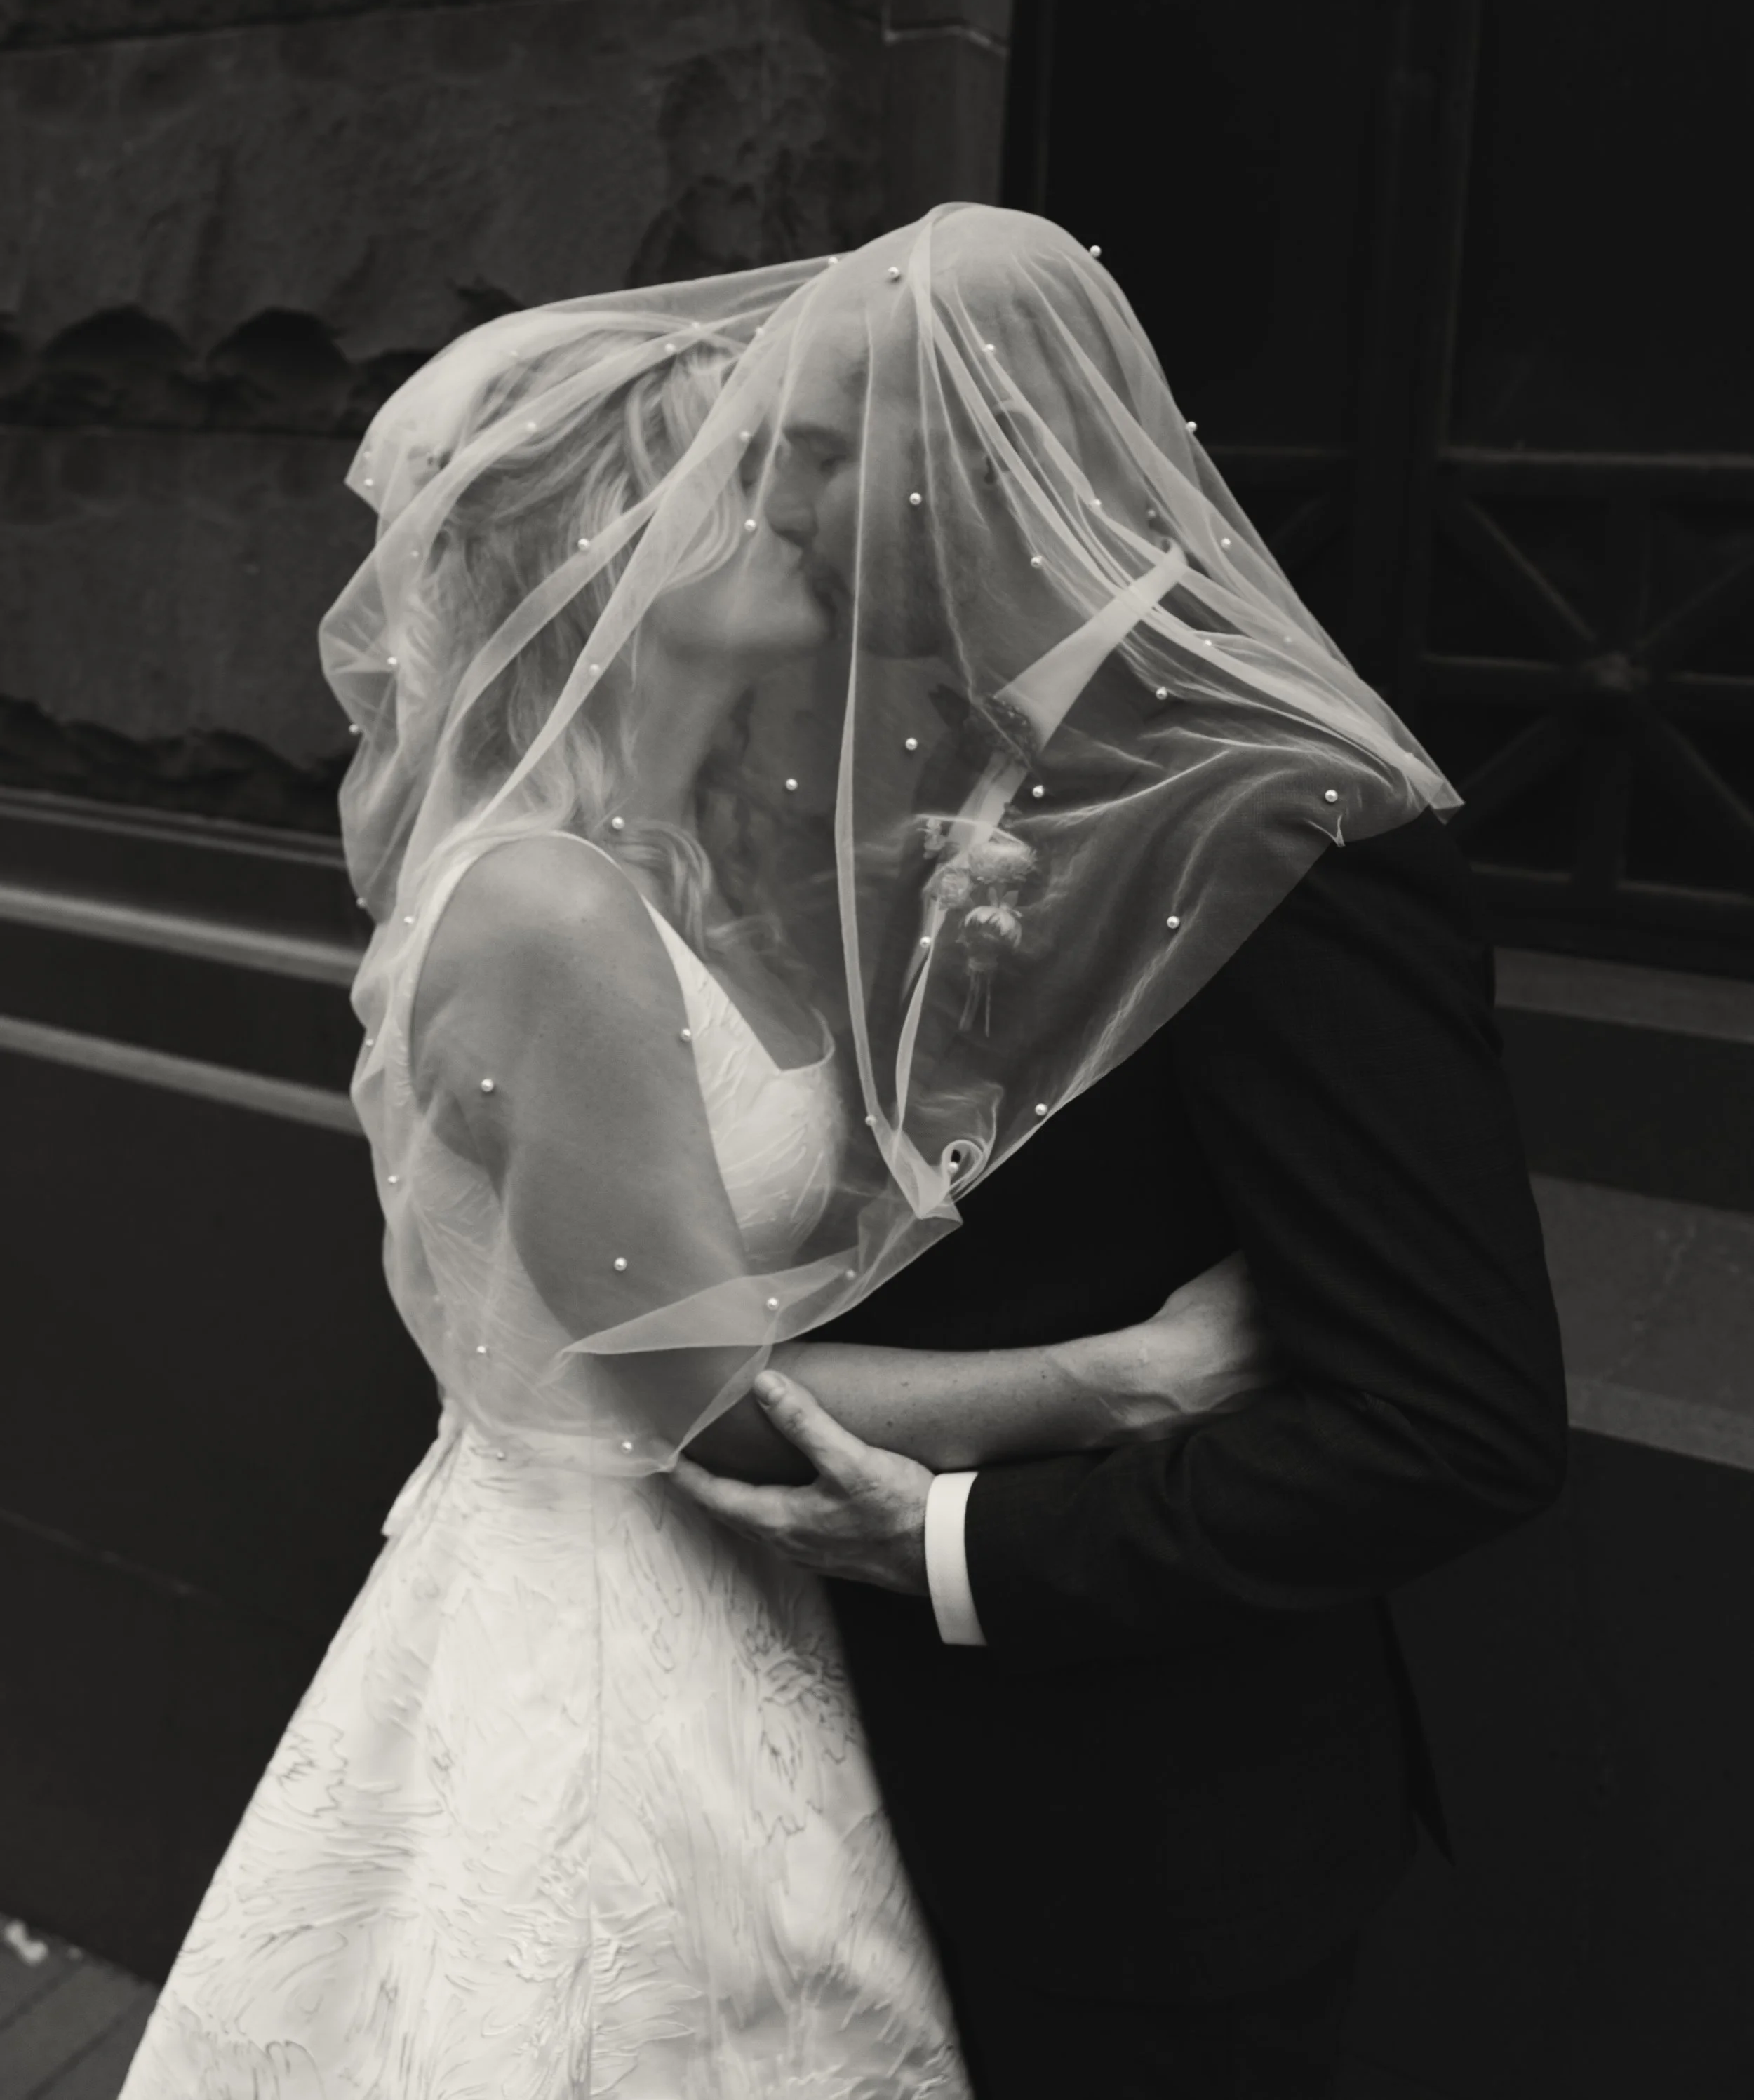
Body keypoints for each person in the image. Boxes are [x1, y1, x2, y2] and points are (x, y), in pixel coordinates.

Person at [119, 253, 1287, 2100]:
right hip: (606, 1634)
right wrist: (1130, 1377)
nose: (809, 525)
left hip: (752, 1610)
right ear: (622, 561)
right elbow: (701, 1402)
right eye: (749, 494)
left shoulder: (677, 865)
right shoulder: (545, 906)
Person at [671, 203, 1570, 2099]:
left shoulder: (1287, 828)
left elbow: (1452, 1421)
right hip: (891, 1782)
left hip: (1151, 1854)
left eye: (825, 455)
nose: (780, 506)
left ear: (978, 451)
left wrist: (952, 1541)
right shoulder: (938, 762)